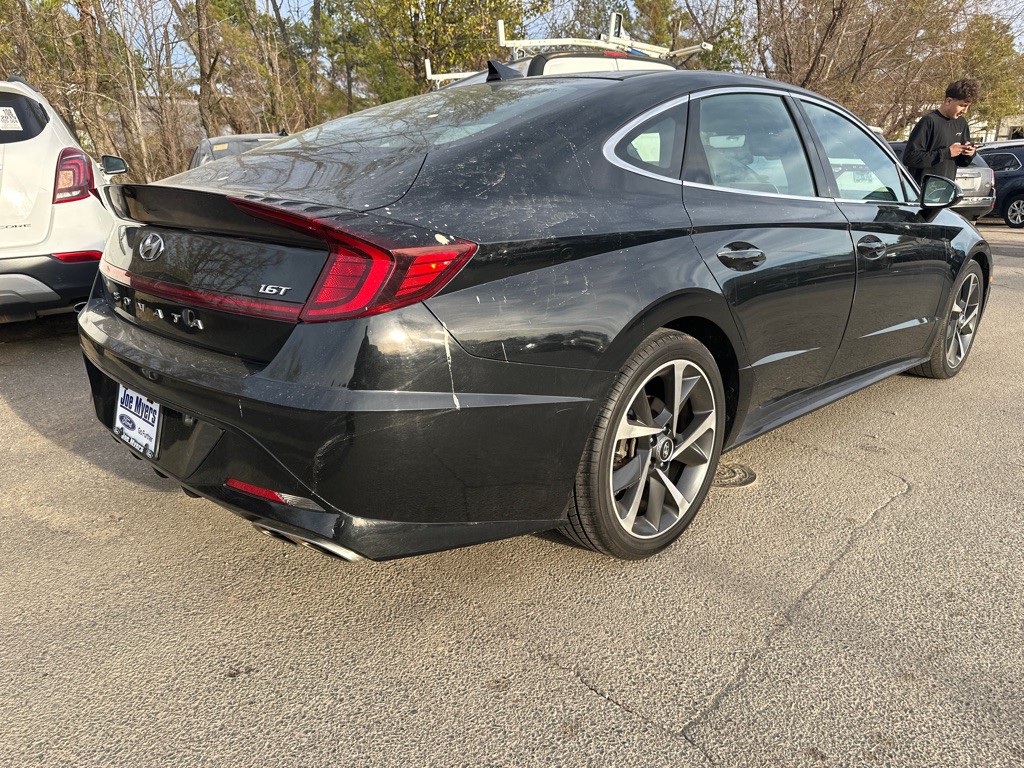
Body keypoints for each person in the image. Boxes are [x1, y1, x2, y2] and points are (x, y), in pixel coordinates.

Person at [902, 78, 981, 186]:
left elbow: (961, 162)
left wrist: (969, 154)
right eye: (962, 105)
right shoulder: (929, 122)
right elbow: (910, 158)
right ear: (948, 101)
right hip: (923, 193)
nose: (965, 111)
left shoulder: (961, 123)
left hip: (946, 191)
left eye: (968, 106)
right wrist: (947, 152)